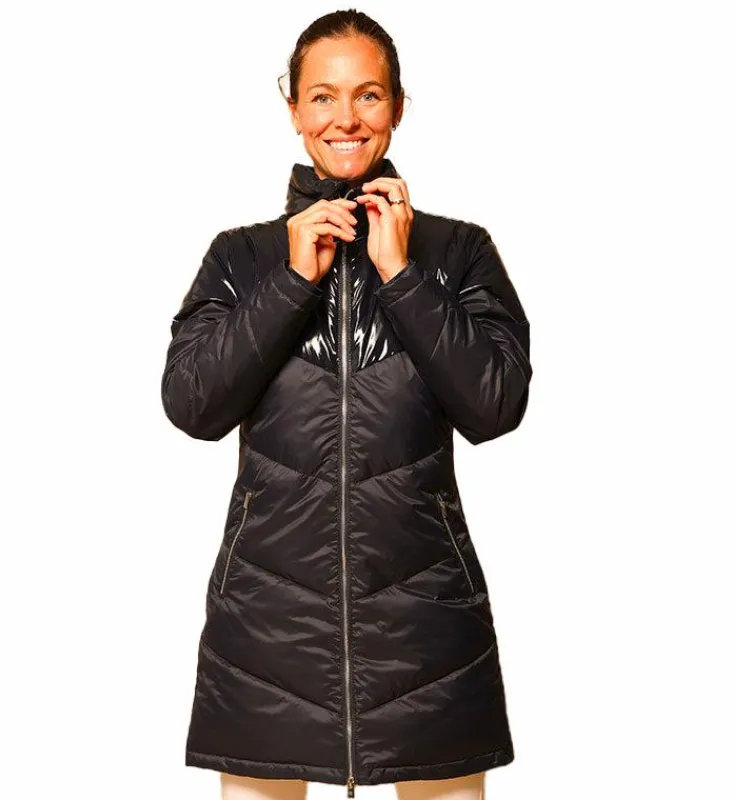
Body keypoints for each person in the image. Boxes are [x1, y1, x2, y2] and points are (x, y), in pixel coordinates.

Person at [160, 9, 532, 800]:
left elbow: (495, 406)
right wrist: (292, 280)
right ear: (293, 108)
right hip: (267, 626)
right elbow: (193, 405)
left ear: (397, 106)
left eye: (368, 95)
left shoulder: (458, 252)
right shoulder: (242, 258)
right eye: (323, 97)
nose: (346, 118)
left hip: (427, 625)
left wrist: (403, 277)